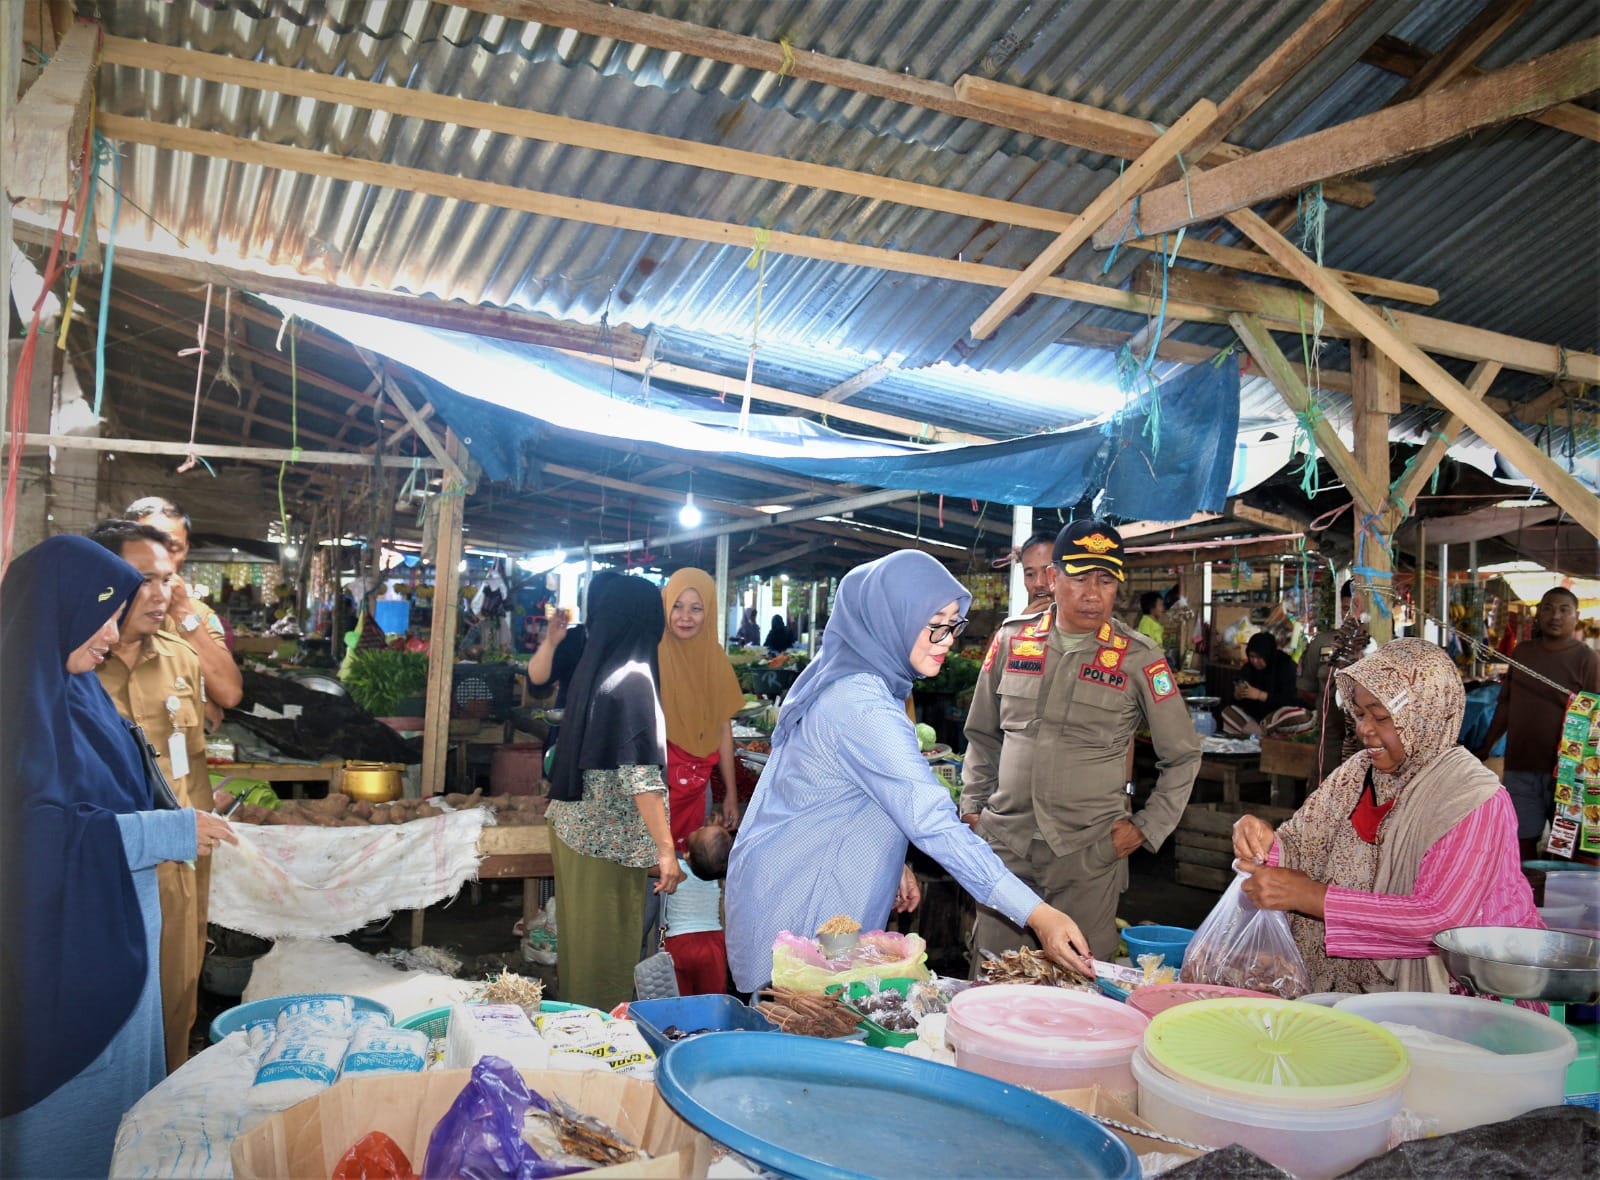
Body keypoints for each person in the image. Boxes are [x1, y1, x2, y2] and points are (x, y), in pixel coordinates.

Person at [726, 550, 1093, 993]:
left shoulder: (857, 678)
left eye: (954, 623)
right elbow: (935, 822)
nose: (948, 638)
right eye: (934, 623)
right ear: (890, 620)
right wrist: (1038, 914)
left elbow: (846, 791)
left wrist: (892, 855)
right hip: (803, 901)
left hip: (801, 878)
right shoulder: (862, 706)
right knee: (798, 1029)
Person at [0, 536, 237, 1178]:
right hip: (58, 962)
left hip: (115, 934)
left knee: (120, 1122)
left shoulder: (74, 693)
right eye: (102, 610)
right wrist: (163, 835)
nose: (111, 629)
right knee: (66, 1129)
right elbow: (26, 839)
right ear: (59, 607)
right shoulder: (16, 707)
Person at [1233, 638, 1543, 995]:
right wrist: (1261, 841)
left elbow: (1442, 921)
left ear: (1426, 714)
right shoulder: (1357, 774)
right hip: (1364, 992)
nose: (1365, 729)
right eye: (1360, 714)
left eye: (1382, 717)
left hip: (1472, 1000)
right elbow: (1302, 847)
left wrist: (1309, 897)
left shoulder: (1473, 799)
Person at [962, 520, 1202, 963]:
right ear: (1053, 579)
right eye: (1079, 577)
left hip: (1088, 856)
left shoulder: (1139, 657)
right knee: (995, 981)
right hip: (1005, 849)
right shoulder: (1013, 640)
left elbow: (1183, 755)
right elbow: (982, 733)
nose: (1093, 593)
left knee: (1079, 988)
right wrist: (974, 809)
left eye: (1106, 580)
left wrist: (1145, 829)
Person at [89, 520, 214, 1072]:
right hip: (103, 869)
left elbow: (196, 773)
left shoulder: (182, 660)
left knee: (176, 1003)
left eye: (166, 579)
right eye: (142, 579)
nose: (160, 594)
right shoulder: (72, 666)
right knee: (104, 1017)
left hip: (177, 869)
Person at [545, 574, 683, 1011]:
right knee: (606, 961)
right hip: (606, 845)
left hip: (576, 832)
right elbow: (640, 776)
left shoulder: (598, 669)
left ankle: (575, 1036)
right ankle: (596, 1051)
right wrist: (666, 851)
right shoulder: (635, 679)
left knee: (581, 953)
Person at [1476, 587, 1600, 859]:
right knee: (1522, 843)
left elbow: (1595, 719)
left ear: (1576, 616)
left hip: (1567, 772)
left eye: (1564, 610)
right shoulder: (1522, 653)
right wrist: (1486, 746)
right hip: (1520, 764)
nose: (1555, 615)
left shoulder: (1587, 659)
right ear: (1538, 614)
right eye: (1548, 608)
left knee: (1564, 847)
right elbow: (1505, 703)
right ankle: (1527, 899)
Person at [125, 497, 244, 728]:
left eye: (173, 548)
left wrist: (182, 612)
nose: (161, 559)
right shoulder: (102, 604)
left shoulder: (198, 613)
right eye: (149, 546)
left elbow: (229, 694)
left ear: (186, 550)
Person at [659, 569, 746, 845]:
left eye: (696, 608)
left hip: (699, 786)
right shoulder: (652, 654)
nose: (685, 617)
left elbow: (723, 729)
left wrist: (730, 794)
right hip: (654, 783)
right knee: (651, 868)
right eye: (677, 606)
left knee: (690, 864)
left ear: (708, 611)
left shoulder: (715, 660)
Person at [663, 822, 733, 996]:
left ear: (686, 855)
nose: (701, 826)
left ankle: (681, 1024)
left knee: (681, 999)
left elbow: (647, 868)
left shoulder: (678, 871)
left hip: (679, 943)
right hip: (713, 944)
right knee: (712, 999)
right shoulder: (720, 875)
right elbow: (715, 854)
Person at [1222, 632, 1313, 737]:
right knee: (1229, 712)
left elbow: (1291, 700)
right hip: (1256, 720)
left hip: (1280, 718)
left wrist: (1260, 695)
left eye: (1259, 657)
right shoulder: (1248, 669)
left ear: (1268, 655)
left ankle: (1260, 732)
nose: (1255, 661)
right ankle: (1262, 734)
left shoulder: (1285, 666)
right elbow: (1240, 704)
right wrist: (1237, 695)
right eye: (1252, 656)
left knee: (1299, 715)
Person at [1018, 530, 1058, 613]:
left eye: (1048, 572)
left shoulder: (1088, 622)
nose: (1038, 583)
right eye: (1030, 574)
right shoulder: (1019, 624)